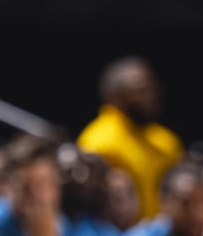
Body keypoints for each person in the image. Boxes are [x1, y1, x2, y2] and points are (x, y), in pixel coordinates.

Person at [78, 56, 183, 224]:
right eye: (141, 90)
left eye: (153, 89)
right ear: (115, 97)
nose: (152, 96)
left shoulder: (166, 140)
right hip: (114, 235)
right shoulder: (97, 142)